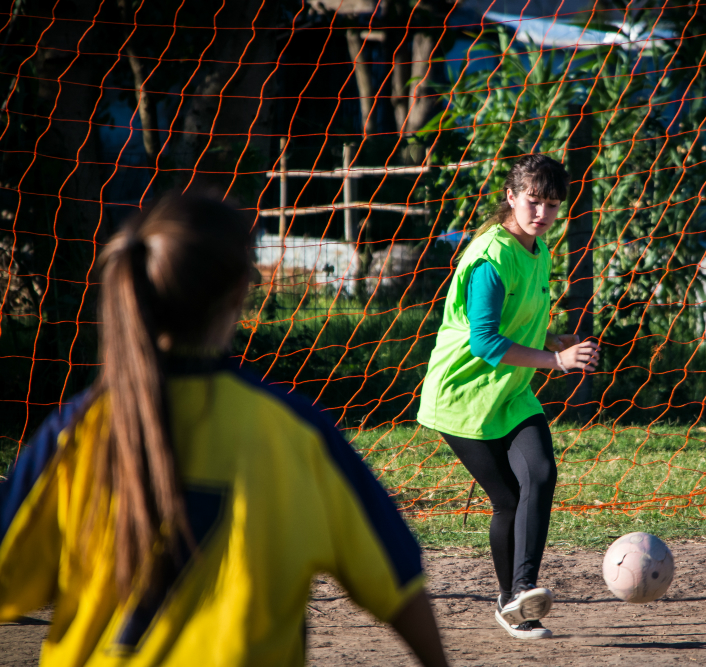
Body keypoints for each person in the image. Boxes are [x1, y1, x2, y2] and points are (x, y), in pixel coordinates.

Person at [0, 194, 449, 667]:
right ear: (240, 290)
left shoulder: (76, 430)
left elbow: (10, 578)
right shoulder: (296, 433)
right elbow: (399, 580)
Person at [417, 154, 600, 640]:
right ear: (513, 197)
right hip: (462, 398)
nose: (542, 213)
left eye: (552, 205)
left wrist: (552, 342)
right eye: (534, 201)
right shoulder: (491, 257)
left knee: (540, 474)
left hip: (512, 393)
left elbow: (518, 325)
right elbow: (484, 342)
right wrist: (556, 363)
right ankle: (509, 601)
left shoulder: (537, 250)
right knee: (507, 499)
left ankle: (522, 592)